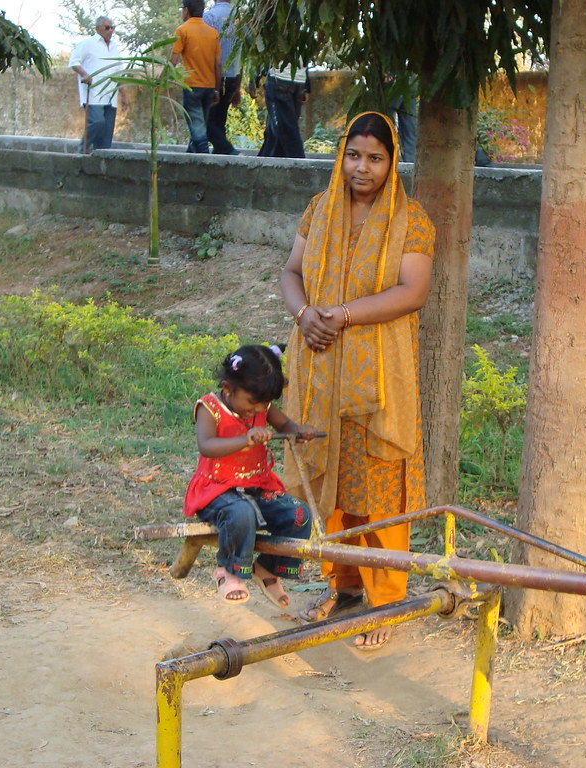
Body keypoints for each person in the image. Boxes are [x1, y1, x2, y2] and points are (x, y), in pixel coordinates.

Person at [280, 112, 435, 650]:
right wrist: (304, 315)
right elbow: (291, 273)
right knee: (334, 482)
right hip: (321, 368)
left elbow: (412, 292)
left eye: (374, 157)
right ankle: (344, 589)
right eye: (353, 155)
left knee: (380, 484)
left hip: (379, 381)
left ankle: (386, 602)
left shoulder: (410, 220)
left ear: (392, 163)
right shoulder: (320, 210)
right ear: (340, 155)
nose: (361, 168)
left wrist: (341, 314)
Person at [183, 344, 320, 607]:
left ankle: (268, 569)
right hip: (218, 491)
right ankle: (230, 572)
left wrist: (298, 431)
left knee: (299, 514)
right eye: (252, 403)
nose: (258, 411)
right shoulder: (209, 407)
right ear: (227, 388)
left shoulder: (263, 407)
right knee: (241, 513)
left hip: (257, 486)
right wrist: (244, 440)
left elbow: (285, 425)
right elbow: (206, 445)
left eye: (264, 405)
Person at [68, 16, 128, 153]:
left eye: (112, 27)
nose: (110, 30)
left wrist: (123, 95)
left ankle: (101, 159)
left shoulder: (114, 47)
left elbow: (119, 72)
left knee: (107, 131)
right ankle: (82, 151)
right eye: (107, 27)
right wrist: (84, 74)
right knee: (96, 122)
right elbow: (74, 62)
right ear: (98, 28)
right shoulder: (88, 43)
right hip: (94, 93)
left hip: (111, 94)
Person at [170, 0, 221, 154]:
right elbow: (218, 64)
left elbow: (174, 60)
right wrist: (217, 89)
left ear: (186, 10)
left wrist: (166, 80)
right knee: (198, 126)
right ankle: (190, 161)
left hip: (191, 85)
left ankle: (205, 158)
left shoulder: (182, 30)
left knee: (197, 128)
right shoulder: (213, 33)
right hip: (209, 86)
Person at [203, 0, 241, 155]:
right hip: (232, 77)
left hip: (213, 76)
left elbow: (205, 50)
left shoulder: (209, 17)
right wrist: (238, 87)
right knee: (220, 121)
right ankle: (221, 156)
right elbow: (240, 55)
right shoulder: (239, 19)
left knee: (205, 121)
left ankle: (228, 150)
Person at [257, 64, 309, 158]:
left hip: (279, 78)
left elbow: (263, 53)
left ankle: (300, 166)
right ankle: (263, 164)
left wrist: (256, 80)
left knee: (287, 130)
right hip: (299, 79)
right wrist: (306, 87)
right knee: (276, 131)